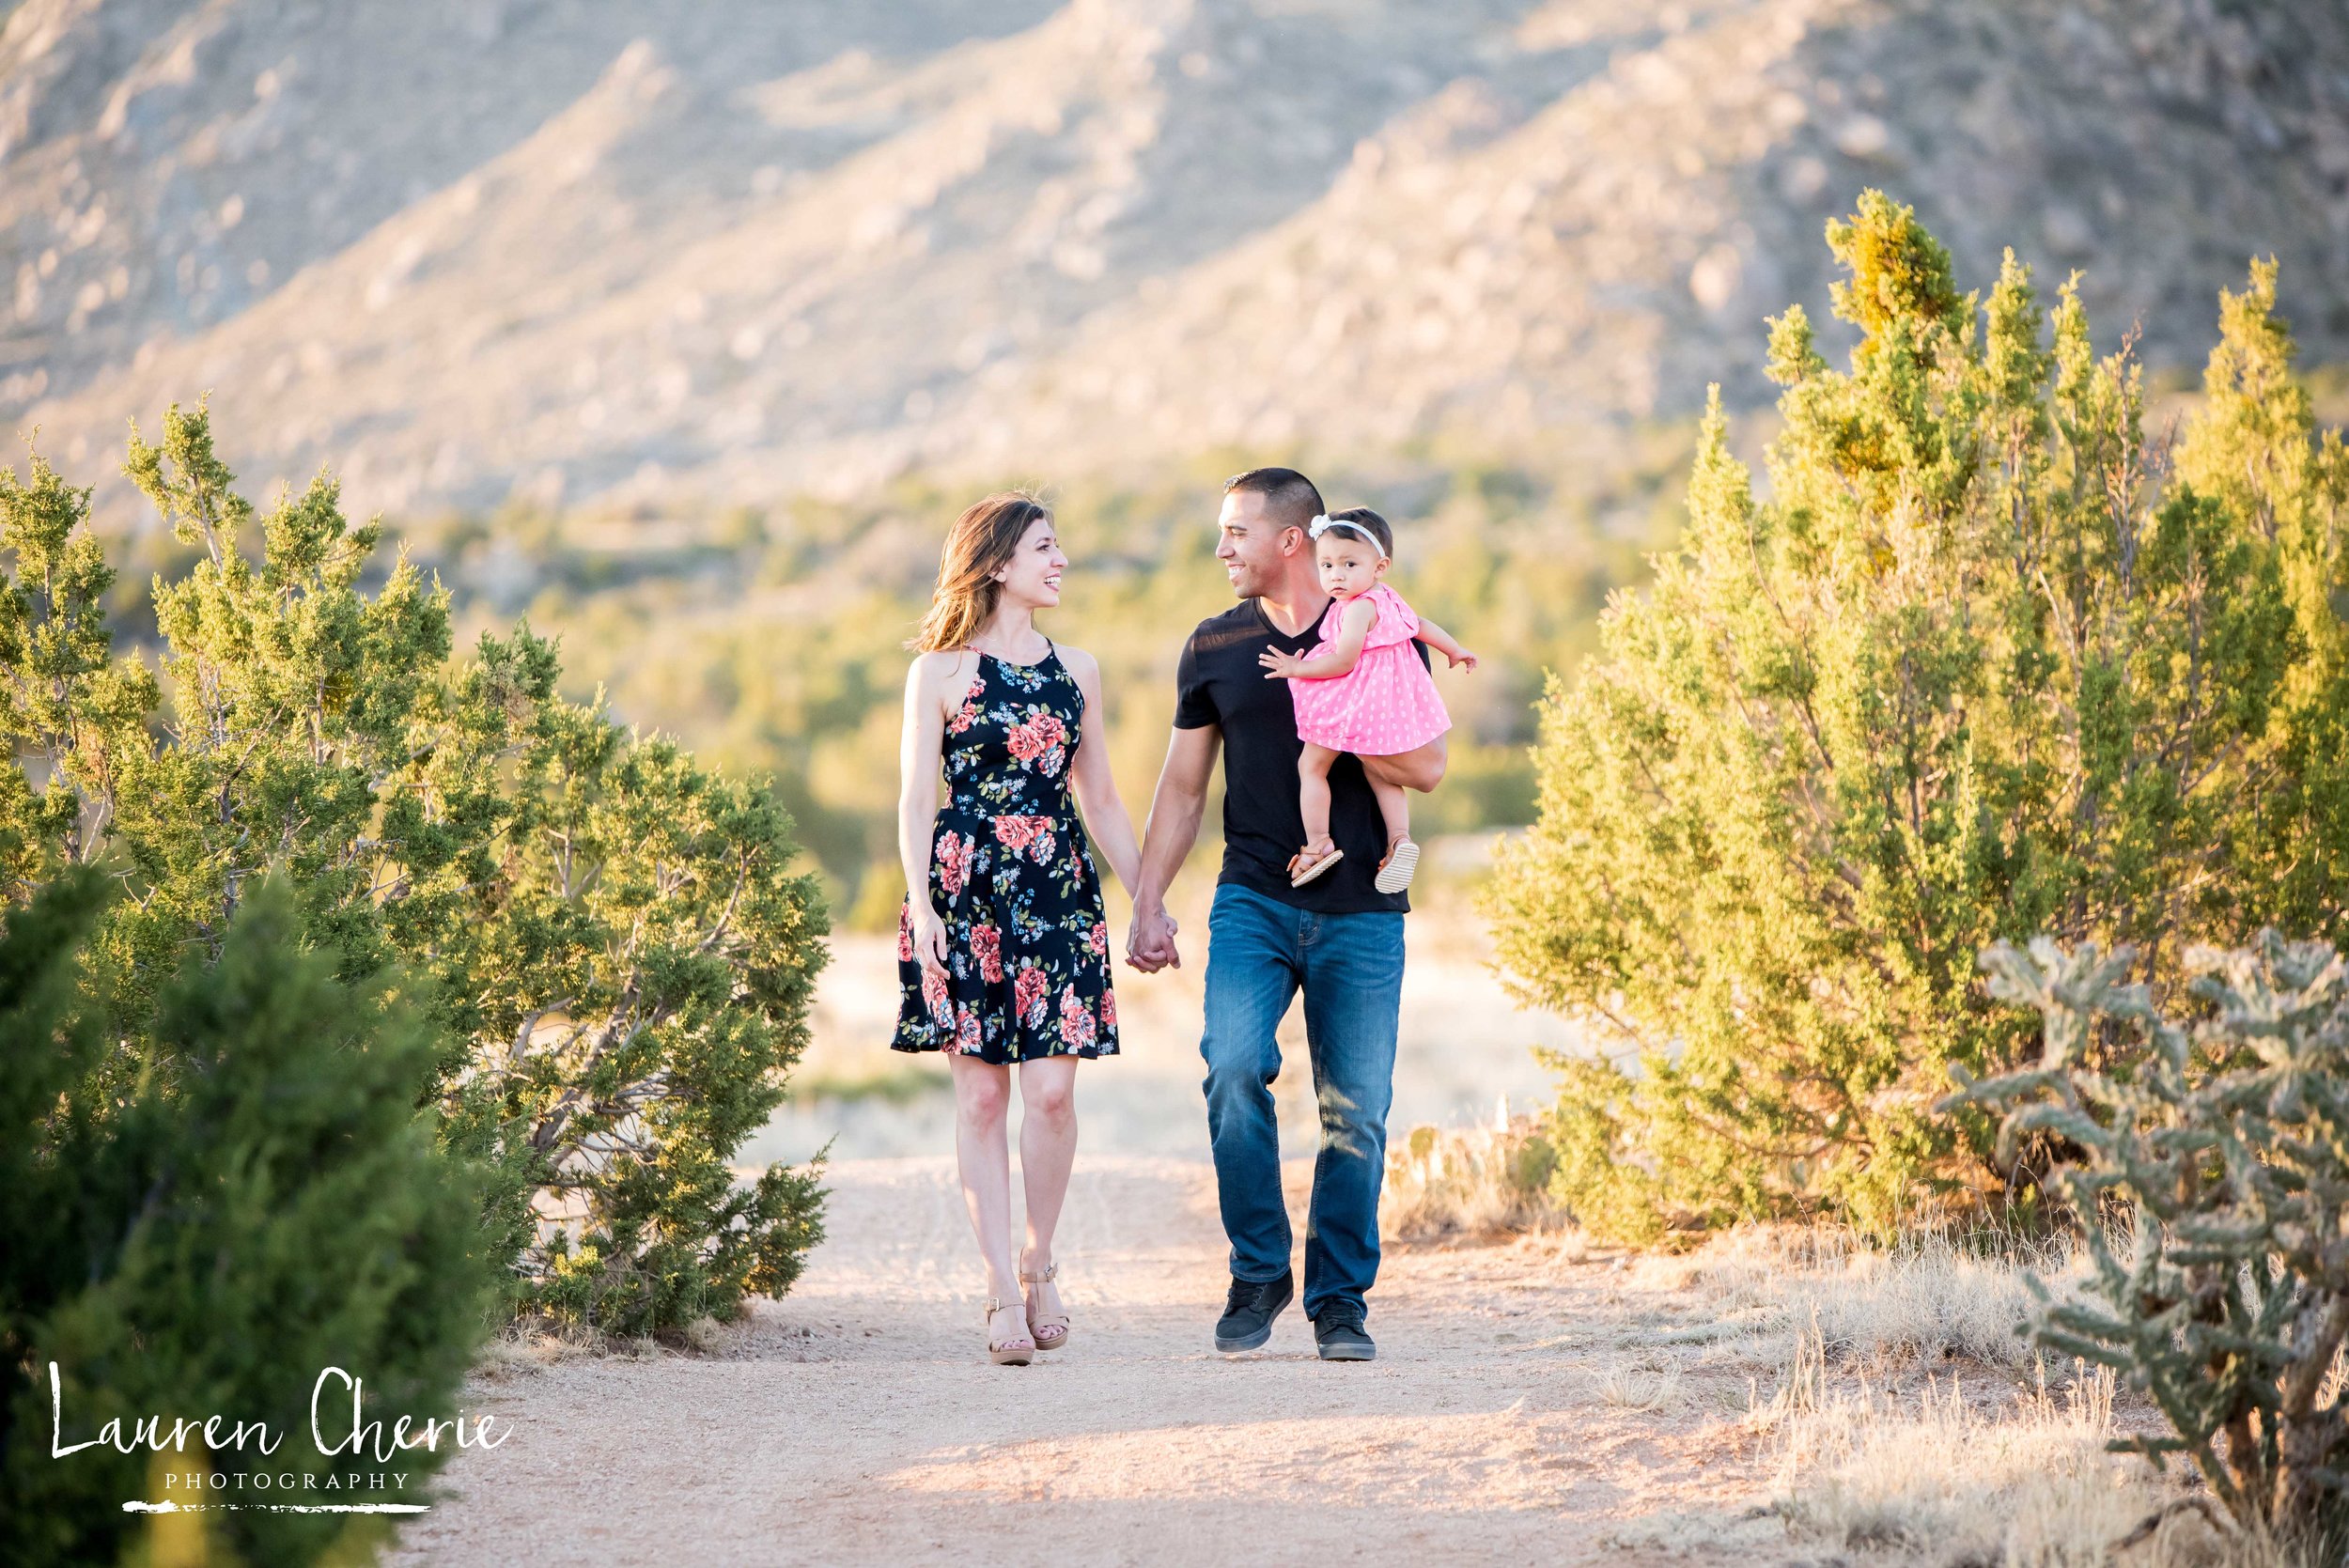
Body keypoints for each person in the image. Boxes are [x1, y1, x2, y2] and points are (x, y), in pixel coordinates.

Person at [1126, 468, 1444, 1363]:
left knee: (1358, 1112)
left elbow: (1429, 769)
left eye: (1236, 531)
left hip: (1364, 911)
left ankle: (1340, 1300)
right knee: (1232, 1068)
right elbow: (1183, 787)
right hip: (1254, 900)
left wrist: (1348, 714)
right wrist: (1149, 901)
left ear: (1291, 540)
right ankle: (1259, 1269)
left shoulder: (1382, 629)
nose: (1221, 548)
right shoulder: (1215, 645)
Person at [892, 491, 1143, 1367]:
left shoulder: (1079, 669)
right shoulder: (939, 672)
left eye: (1059, 545)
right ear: (997, 563)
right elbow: (918, 800)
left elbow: (1101, 797)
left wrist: (1146, 893)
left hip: (1058, 891)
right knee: (981, 1097)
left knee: (1050, 1094)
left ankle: (1041, 1259)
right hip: (965, 894)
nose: (1061, 559)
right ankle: (1000, 1286)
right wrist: (921, 906)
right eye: (1045, 547)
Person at [1258, 505, 1476, 893]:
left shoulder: (1357, 609)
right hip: (1387, 709)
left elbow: (1343, 660)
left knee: (1311, 766)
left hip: (1354, 705)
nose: (1336, 575)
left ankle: (1318, 844)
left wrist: (1297, 669)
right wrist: (1454, 649)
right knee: (1381, 773)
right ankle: (1400, 840)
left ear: (1379, 566)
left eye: (1348, 564)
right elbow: (1421, 626)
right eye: (1326, 566)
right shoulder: (1388, 599)